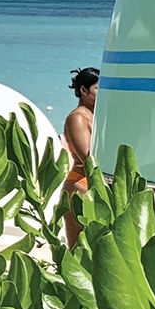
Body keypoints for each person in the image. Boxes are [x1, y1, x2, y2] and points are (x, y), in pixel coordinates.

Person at [62, 67, 100, 248]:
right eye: (97, 89)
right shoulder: (77, 118)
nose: (101, 93)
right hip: (80, 182)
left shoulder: (95, 115)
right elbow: (87, 158)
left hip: (92, 183)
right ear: (83, 90)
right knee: (79, 248)